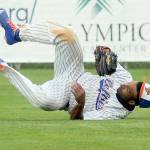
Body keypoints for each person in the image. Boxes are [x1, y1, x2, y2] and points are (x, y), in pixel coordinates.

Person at [0, 10, 149, 120]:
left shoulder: (115, 112)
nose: (130, 84)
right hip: (75, 71)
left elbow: (78, 119)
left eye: (134, 89)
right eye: (137, 84)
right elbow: (108, 59)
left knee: (43, 100)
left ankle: (3, 66)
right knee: (68, 35)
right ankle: (16, 33)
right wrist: (104, 51)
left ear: (132, 101)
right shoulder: (125, 78)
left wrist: (81, 103)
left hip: (65, 95)